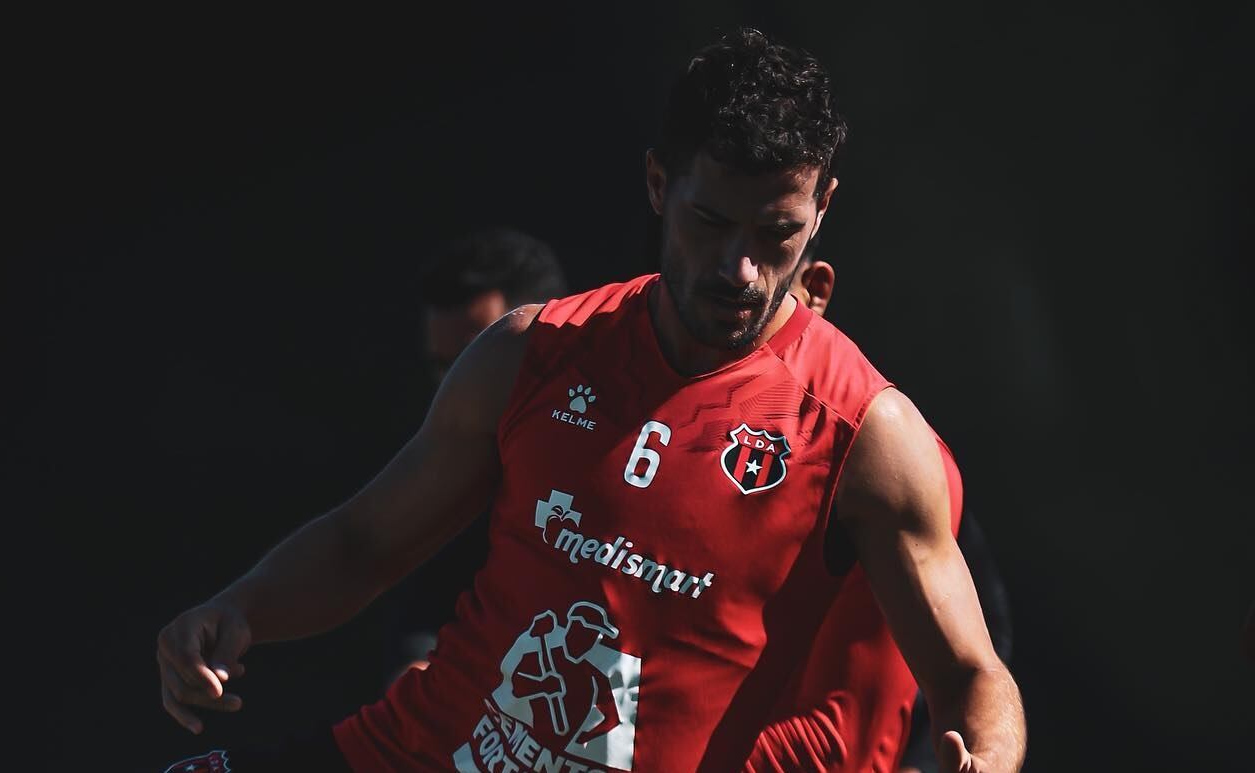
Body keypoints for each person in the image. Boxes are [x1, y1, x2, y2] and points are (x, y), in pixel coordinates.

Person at [156, 28, 1026, 772]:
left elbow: (973, 676)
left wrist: (984, 757)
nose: (741, 269)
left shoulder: (865, 434)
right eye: (711, 222)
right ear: (657, 184)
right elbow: (364, 542)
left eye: (776, 233)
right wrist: (241, 607)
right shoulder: (532, 352)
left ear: (823, 209)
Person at [742, 242, 1016, 772]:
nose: (734, 280)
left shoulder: (880, 460)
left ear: (814, 292)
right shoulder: (655, 426)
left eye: (770, 278)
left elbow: (847, 736)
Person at [386, 227, 569, 683]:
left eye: (474, 358)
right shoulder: (454, 470)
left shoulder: (632, 448)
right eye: (443, 367)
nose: (458, 385)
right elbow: (427, 606)